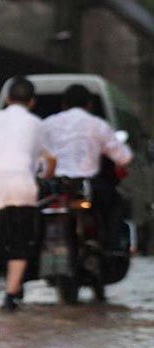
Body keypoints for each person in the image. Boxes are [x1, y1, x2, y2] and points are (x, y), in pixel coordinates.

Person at [0, 77, 55, 312]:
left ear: (7, 99)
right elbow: (51, 158)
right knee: (19, 242)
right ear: (32, 102)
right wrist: (47, 177)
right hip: (23, 183)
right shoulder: (37, 124)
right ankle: (10, 296)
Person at [42, 84, 133, 251]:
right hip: (89, 186)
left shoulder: (48, 124)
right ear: (89, 105)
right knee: (115, 204)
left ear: (64, 104)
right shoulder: (97, 125)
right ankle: (111, 248)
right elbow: (124, 157)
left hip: (54, 187)